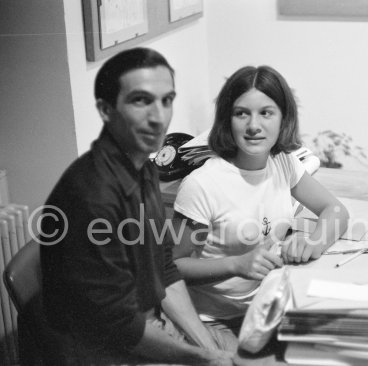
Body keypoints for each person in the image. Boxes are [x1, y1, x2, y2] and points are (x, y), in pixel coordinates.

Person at [40, 47, 235, 365]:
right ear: (105, 110)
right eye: (141, 101)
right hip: (102, 353)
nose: (158, 117)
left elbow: (164, 267)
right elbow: (119, 328)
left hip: (143, 329)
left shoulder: (142, 166)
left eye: (166, 100)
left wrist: (207, 347)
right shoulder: (91, 199)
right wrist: (201, 357)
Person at [172, 65, 350, 325]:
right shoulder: (201, 185)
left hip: (270, 303)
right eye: (242, 114)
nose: (254, 125)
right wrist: (236, 264)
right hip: (218, 319)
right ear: (226, 119)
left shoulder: (282, 162)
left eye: (266, 113)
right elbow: (173, 266)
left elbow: (335, 210)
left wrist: (314, 242)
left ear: (283, 118)